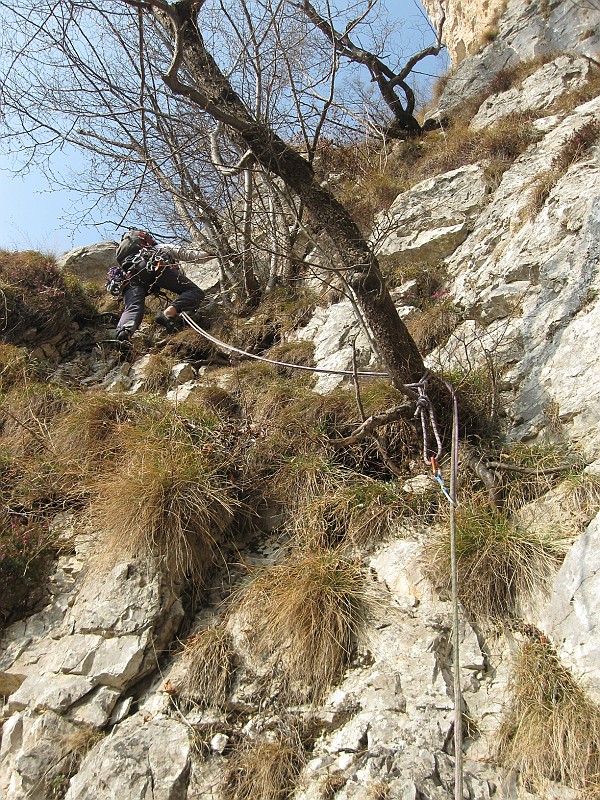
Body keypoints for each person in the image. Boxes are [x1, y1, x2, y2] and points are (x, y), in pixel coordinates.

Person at [111, 231, 213, 344]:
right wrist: (214, 253)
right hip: (154, 266)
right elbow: (188, 254)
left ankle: (124, 334)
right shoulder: (157, 248)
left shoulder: (127, 261)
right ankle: (168, 313)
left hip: (131, 278)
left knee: (133, 307)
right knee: (194, 292)